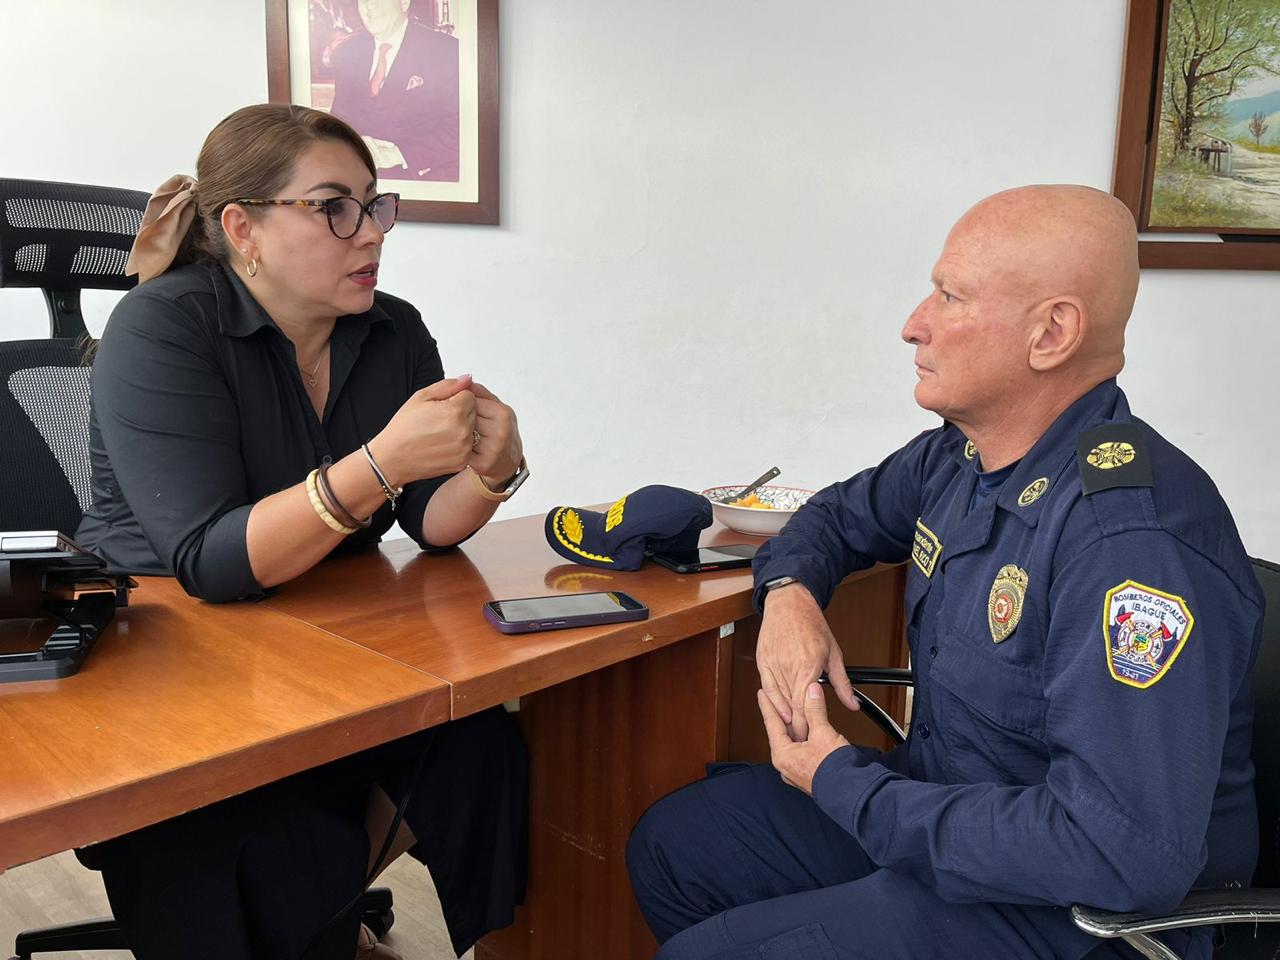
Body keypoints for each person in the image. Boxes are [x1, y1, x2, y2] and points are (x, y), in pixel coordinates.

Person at [626, 185, 1263, 960]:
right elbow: (833, 517)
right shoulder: (962, 456)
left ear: (1051, 333)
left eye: (950, 296)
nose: (913, 323)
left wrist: (841, 782)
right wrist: (789, 596)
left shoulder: (1128, 543)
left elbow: (1117, 850)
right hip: (949, 814)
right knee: (677, 846)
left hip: (1071, 910)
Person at [75, 103, 528, 960]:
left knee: (481, 748)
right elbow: (210, 561)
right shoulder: (163, 325)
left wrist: (490, 473)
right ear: (242, 228)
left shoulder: (392, 328)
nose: (372, 232)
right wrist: (380, 463)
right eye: (333, 208)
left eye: (375, 204)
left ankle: (333, 909)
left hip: (319, 625)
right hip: (167, 642)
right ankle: (316, 915)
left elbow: (428, 524)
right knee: (267, 841)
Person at [328, 0, 459, 181]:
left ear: (404, 3)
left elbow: (461, 131)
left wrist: (400, 154)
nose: (370, 6)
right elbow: (339, 120)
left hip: (419, 179)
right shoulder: (347, 52)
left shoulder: (447, 51)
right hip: (358, 178)